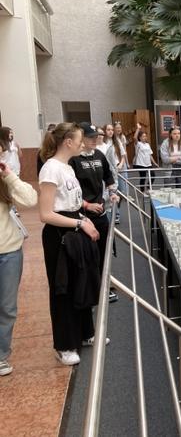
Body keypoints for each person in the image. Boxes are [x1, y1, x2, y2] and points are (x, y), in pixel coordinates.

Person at [38, 122, 103, 366]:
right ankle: (64, 345)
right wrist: (79, 224)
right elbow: (46, 214)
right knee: (63, 289)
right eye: (79, 140)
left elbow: (73, 203)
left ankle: (85, 333)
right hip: (59, 235)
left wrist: (84, 219)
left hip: (75, 226)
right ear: (68, 142)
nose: (82, 144)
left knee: (81, 282)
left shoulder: (67, 167)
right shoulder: (50, 169)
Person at [69, 122, 119, 302]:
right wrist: (87, 205)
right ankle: (91, 289)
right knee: (88, 254)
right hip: (82, 215)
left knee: (104, 250)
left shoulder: (99, 155)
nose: (94, 140)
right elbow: (69, 191)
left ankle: (104, 285)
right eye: (90, 137)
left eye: (96, 137)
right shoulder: (73, 160)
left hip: (101, 213)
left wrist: (112, 192)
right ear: (80, 138)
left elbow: (108, 175)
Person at [0, 135, 37, 376]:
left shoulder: (5, 179)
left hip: (9, 252)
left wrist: (9, 176)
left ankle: (1, 355)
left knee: (7, 308)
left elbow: (30, 199)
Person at [105, 123, 127, 223]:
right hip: (108, 171)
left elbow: (123, 155)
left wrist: (121, 164)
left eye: (112, 130)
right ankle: (116, 213)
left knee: (122, 191)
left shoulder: (117, 141)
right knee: (111, 191)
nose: (110, 131)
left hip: (118, 168)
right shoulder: (103, 142)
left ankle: (116, 209)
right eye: (108, 129)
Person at [132, 123, 158, 192]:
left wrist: (154, 163)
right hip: (141, 164)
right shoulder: (138, 144)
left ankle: (148, 187)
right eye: (143, 136)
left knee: (153, 175)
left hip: (148, 164)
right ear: (140, 138)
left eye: (145, 136)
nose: (145, 137)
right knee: (143, 177)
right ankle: (142, 191)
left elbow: (150, 155)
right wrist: (138, 129)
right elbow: (134, 138)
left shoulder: (147, 144)